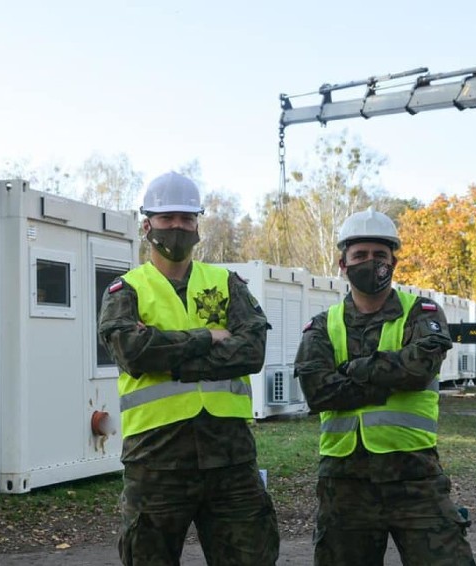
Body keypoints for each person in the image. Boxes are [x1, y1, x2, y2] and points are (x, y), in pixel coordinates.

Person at [98, 171, 280, 566]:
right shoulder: (125, 290)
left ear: (197, 224)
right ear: (147, 225)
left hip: (230, 461)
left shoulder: (228, 283)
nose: (177, 227)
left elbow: (251, 351)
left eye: (186, 219)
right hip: (156, 461)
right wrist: (207, 338)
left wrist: (168, 352)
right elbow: (133, 352)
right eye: (167, 219)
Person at [294, 207, 475, 566]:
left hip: (415, 477)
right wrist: (388, 380)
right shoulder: (322, 325)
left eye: (380, 255)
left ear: (393, 262)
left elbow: (420, 369)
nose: (370, 262)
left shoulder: (422, 312)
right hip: (345, 483)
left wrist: (353, 370)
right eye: (359, 255)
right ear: (343, 265)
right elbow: (317, 392)